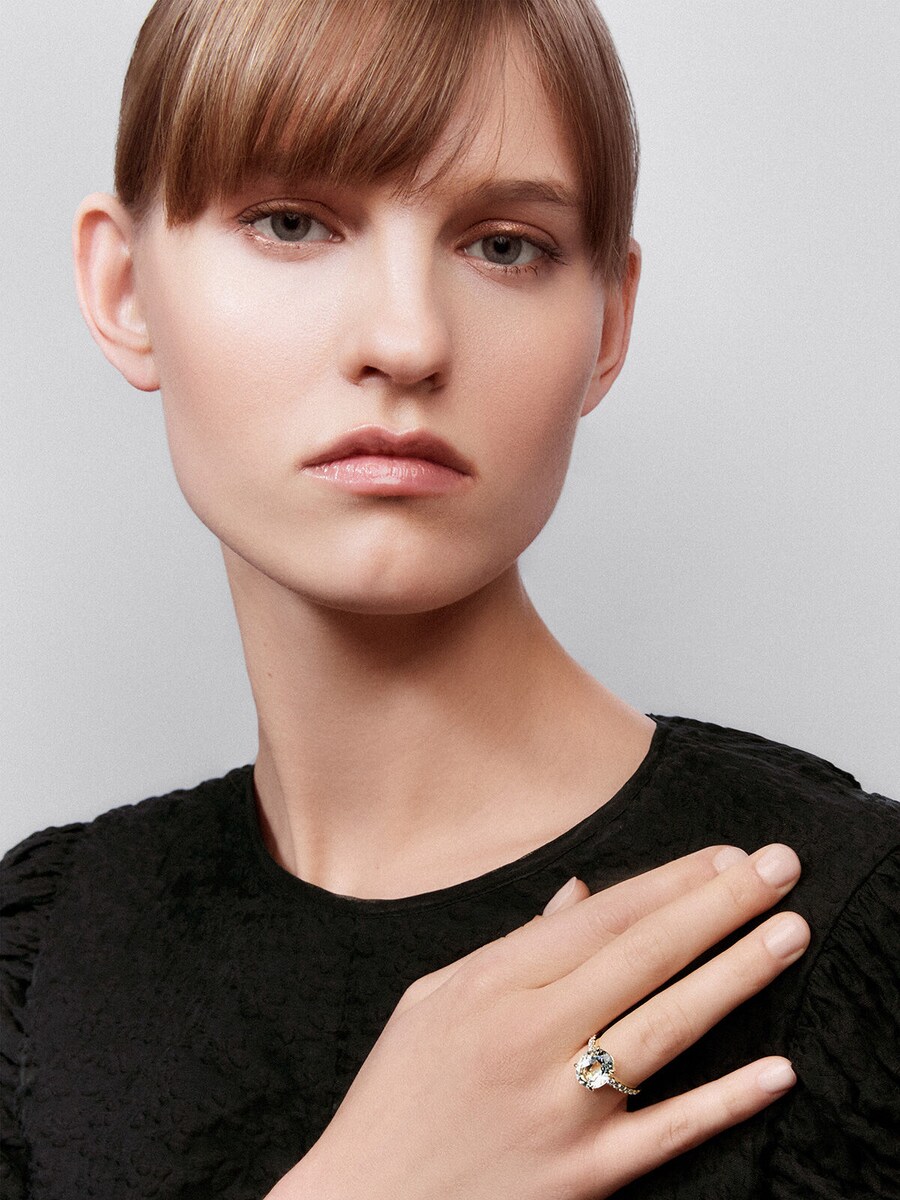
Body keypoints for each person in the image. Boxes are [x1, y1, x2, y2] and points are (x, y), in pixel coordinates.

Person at [1, 0, 897, 1197]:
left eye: (505, 246)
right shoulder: (47, 960)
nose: (407, 339)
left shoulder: (848, 931)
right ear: (123, 288)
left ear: (608, 324)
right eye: (292, 223)